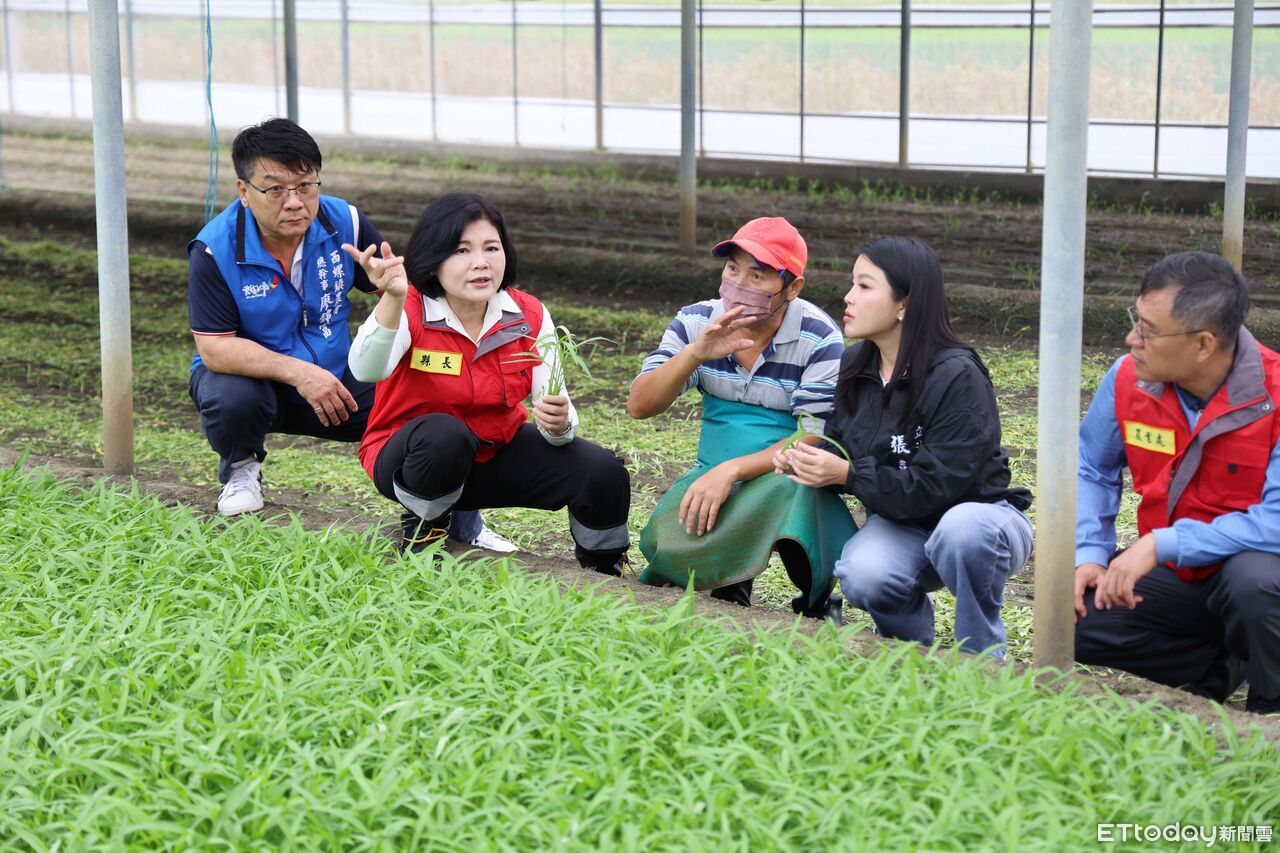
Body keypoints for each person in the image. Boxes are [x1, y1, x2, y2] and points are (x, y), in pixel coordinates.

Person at [186, 118, 511, 551]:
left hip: (338, 378)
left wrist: (390, 282)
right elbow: (215, 347)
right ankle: (242, 467)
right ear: (244, 191)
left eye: (305, 186)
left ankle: (456, 518)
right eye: (275, 189)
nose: (295, 202)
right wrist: (301, 373)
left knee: (433, 394)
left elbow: (410, 294)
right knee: (230, 394)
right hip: (256, 382)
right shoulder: (214, 250)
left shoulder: (345, 222)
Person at [345, 192, 631, 569]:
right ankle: (423, 536)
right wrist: (392, 299)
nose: (480, 263)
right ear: (434, 258)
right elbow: (366, 370)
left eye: (491, 248)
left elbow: (556, 412)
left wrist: (560, 424)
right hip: (411, 460)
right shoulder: (410, 305)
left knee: (603, 471)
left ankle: (603, 567)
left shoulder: (527, 313)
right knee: (444, 435)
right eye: (462, 251)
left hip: (492, 452)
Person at [777, 236, 1032, 657]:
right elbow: (844, 447)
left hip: (983, 519)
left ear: (904, 304)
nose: (848, 296)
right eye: (851, 284)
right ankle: (909, 653)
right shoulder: (855, 366)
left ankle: (983, 657)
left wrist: (849, 474)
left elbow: (940, 484)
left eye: (864, 285)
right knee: (863, 573)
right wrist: (808, 460)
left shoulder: (957, 375)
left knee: (962, 530)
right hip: (902, 523)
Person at [1074, 252, 1280, 715]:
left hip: (1253, 572)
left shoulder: (1277, 393)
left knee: (1255, 587)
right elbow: (1092, 466)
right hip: (1182, 572)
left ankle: (1270, 710)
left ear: (1204, 344)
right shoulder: (1128, 378)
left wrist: (1159, 544)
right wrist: (1088, 553)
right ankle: (1220, 667)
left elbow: (1277, 521)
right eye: (1136, 320)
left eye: (1147, 329)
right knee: (1076, 619)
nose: (1132, 339)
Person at [628, 217, 854, 619]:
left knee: (794, 493)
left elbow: (813, 434)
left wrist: (733, 470)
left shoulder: (819, 338)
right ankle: (730, 586)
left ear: (793, 287)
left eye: (758, 274)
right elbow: (640, 405)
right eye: (733, 269)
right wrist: (696, 353)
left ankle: (817, 601)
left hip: (787, 470)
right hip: (713, 468)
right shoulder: (697, 321)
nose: (739, 283)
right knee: (671, 544)